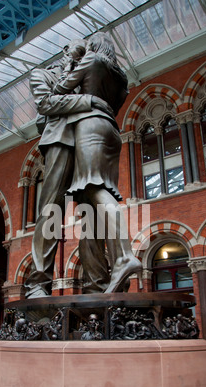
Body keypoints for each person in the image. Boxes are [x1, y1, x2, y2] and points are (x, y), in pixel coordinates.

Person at [53, 32, 142, 293]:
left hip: (90, 126)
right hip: (111, 129)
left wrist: (71, 61)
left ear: (92, 46)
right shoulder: (120, 75)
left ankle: (125, 256)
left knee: (94, 188)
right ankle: (98, 281)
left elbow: (61, 89)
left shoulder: (90, 59)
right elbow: (115, 104)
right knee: (90, 206)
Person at [25, 39, 112, 298]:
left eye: (84, 50)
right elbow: (46, 104)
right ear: (64, 50)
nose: (81, 52)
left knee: (92, 213)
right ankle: (38, 284)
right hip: (61, 139)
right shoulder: (41, 74)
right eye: (76, 48)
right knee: (51, 207)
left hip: (91, 140)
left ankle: (97, 285)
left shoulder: (89, 70)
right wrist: (90, 101)